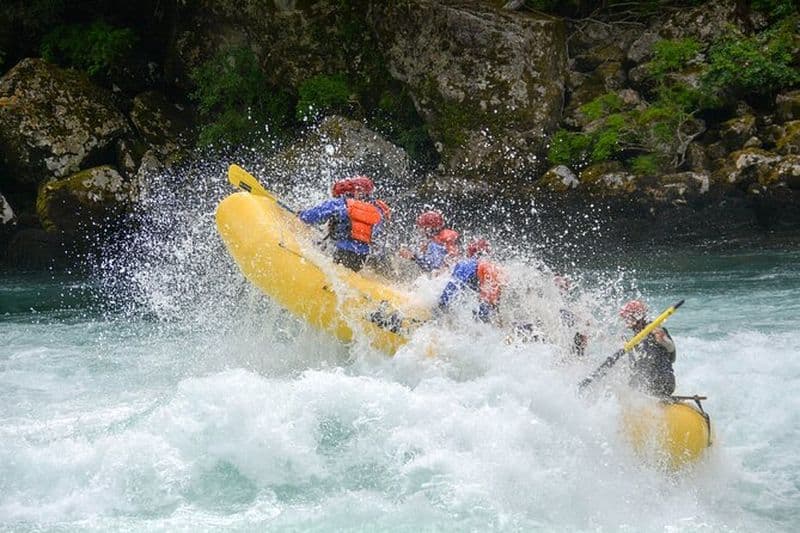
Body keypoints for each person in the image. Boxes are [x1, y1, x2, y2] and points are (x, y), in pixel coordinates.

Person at [299, 175, 386, 272]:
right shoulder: (376, 212)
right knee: (349, 274)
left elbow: (311, 216)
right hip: (361, 256)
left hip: (341, 250)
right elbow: (376, 235)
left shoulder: (341, 204)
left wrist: (301, 214)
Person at [437, 238, 504, 324]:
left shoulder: (465, 264)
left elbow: (451, 289)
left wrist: (441, 305)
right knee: (486, 314)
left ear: (469, 252)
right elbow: (494, 298)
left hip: (473, 278)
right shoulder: (494, 267)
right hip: (485, 288)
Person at [620, 299, 676, 397]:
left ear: (638, 317)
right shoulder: (634, 339)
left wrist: (664, 341)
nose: (626, 322)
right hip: (644, 385)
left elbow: (672, 355)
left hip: (663, 384)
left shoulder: (657, 330)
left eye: (628, 318)